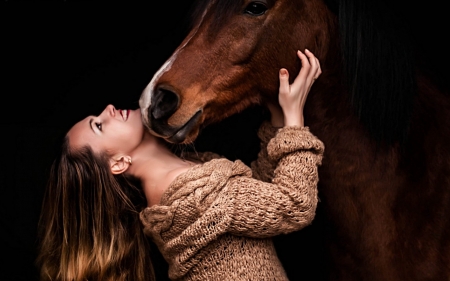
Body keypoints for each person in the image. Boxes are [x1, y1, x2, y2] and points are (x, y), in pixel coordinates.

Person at [36, 49, 324, 281]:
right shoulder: (188, 196)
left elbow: (260, 194)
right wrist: (294, 118)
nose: (108, 110)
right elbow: (293, 204)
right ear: (119, 163)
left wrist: (277, 115)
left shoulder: (188, 171)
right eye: (99, 126)